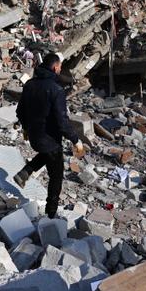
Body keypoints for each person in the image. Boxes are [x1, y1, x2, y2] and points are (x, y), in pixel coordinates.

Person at [14, 53, 85, 218]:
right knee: (56, 176)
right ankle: (51, 212)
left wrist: (25, 128)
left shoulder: (30, 84)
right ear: (55, 67)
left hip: (34, 136)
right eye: (60, 66)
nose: (60, 69)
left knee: (48, 155)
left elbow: (20, 110)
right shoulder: (56, 90)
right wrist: (76, 140)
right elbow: (62, 121)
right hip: (50, 139)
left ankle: (25, 172)